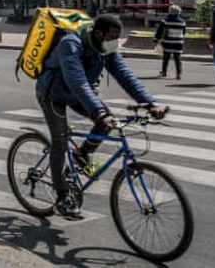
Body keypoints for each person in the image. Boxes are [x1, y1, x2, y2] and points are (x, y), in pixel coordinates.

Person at [36, 14, 167, 219]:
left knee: (106, 124)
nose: (116, 41)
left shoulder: (106, 48)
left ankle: (81, 155)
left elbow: (125, 75)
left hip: (79, 94)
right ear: (99, 33)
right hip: (53, 94)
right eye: (113, 36)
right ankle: (62, 196)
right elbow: (77, 80)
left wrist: (150, 103)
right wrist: (99, 112)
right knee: (60, 141)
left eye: (118, 36)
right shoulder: (71, 44)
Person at [153, 5, 186, 80]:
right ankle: (179, 74)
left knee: (166, 58)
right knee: (177, 58)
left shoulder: (165, 21)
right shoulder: (182, 22)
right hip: (179, 42)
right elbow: (184, 32)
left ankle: (164, 72)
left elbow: (160, 31)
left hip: (168, 42)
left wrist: (156, 39)